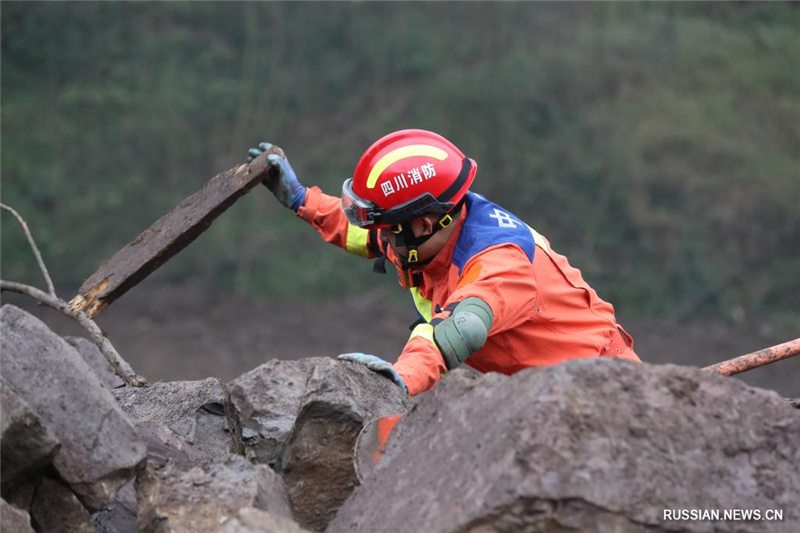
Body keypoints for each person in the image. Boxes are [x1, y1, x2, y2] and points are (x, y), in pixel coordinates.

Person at [248, 129, 640, 396]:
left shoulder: (500, 261)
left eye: (386, 229)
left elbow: (461, 328)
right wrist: (302, 200)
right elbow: (365, 235)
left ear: (421, 224)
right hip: (537, 390)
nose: (380, 238)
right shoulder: (429, 232)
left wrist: (402, 376)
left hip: (601, 387)